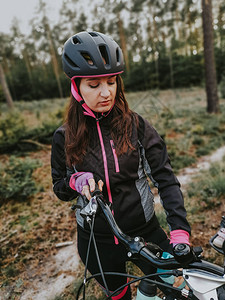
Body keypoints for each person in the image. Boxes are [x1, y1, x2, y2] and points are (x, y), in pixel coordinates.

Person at [51, 31, 192, 300]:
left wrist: (179, 231)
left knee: (177, 291)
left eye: (112, 82)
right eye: (94, 85)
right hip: (97, 241)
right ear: (76, 87)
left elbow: (165, 178)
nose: (106, 93)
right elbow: (60, 186)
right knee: (119, 297)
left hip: (145, 232)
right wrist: (75, 181)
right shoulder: (64, 136)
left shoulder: (136, 126)